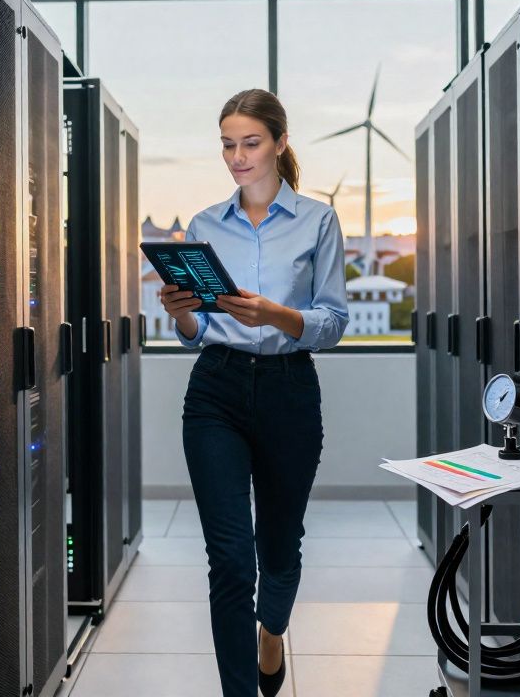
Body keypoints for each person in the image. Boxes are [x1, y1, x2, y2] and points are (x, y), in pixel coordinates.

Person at [159, 89, 349, 697]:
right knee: (231, 559)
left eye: (250, 142)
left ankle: (272, 632)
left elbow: (334, 321)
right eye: (227, 145)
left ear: (279, 144)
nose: (237, 157)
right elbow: (195, 335)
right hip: (214, 390)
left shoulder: (319, 221)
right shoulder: (205, 225)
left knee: (278, 544)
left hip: (289, 392)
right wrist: (181, 312)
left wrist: (277, 316)